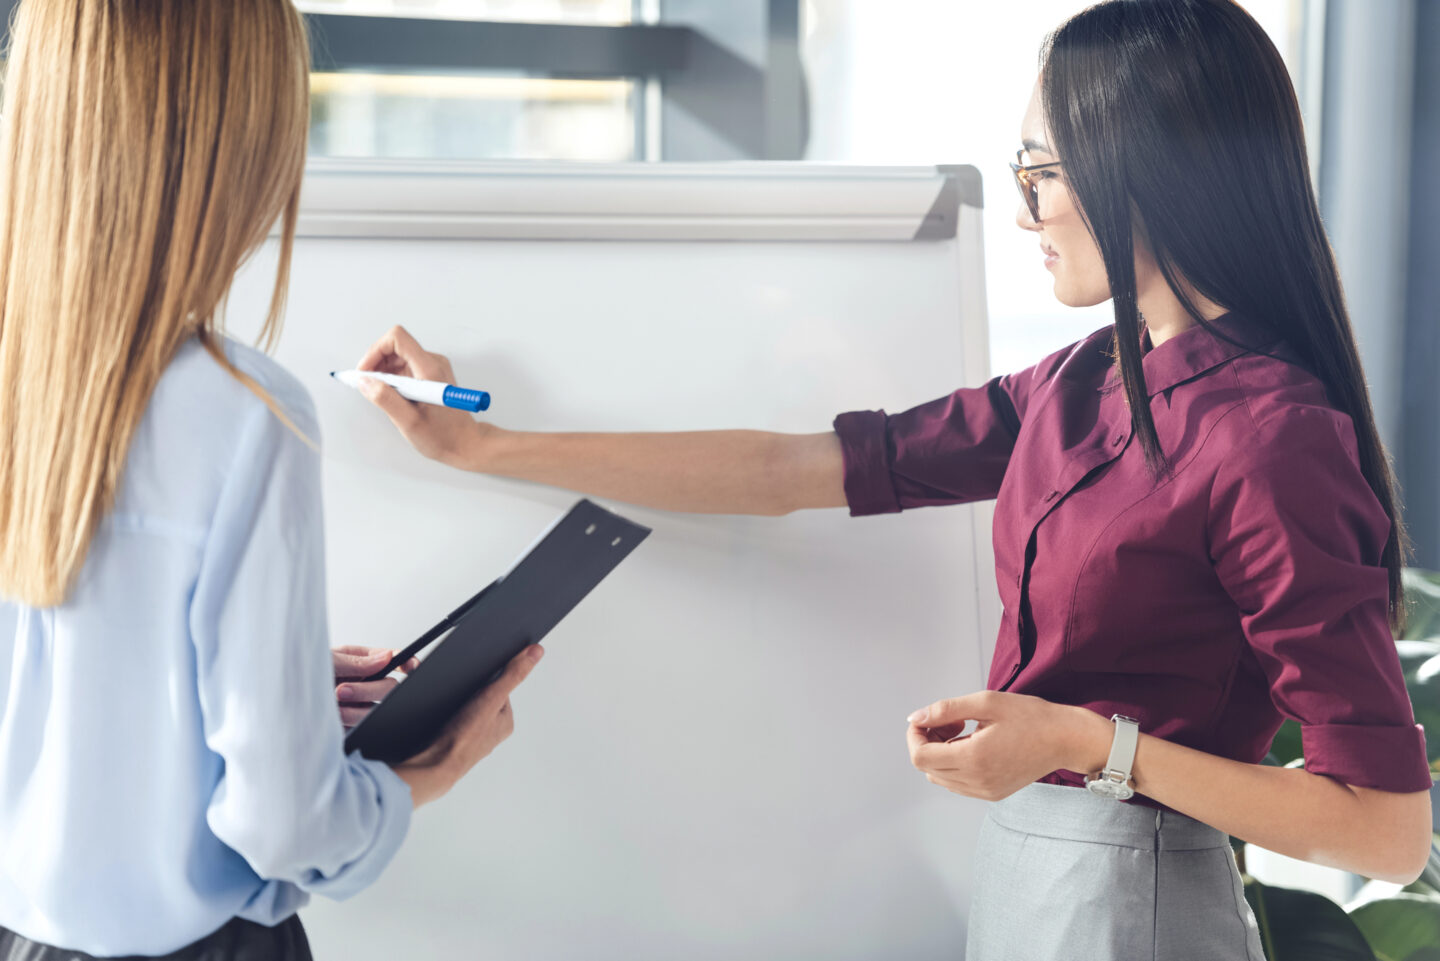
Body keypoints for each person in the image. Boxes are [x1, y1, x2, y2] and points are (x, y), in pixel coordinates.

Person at [352, 1, 1431, 957]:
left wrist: (1083, 744)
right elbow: (787, 468)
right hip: (1029, 877)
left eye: (1041, 172)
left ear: (1147, 170)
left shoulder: (1271, 437)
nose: (1024, 209)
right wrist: (486, 448)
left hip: (1133, 904)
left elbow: (1381, 827)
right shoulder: (1087, 381)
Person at [0, 2, 539, 959]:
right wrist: (423, 775)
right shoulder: (244, 419)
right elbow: (283, 827)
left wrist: (255, 688)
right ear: (243, 145)